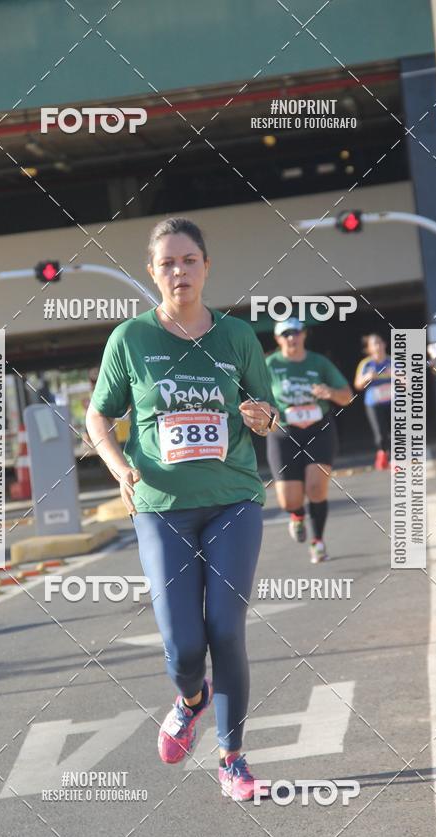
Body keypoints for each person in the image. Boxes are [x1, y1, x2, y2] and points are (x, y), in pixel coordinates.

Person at [86, 217, 278, 801]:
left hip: (234, 500)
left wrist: (262, 418)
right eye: (167, 263)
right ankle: (190, 698)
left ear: (206, 267)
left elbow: (267, 409)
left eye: (189, 260)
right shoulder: (131, 340)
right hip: (161, 505)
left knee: (226, 629)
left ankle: (233, 760)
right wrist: (121, 469)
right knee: (183, 643)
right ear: (153, 273)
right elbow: (99, 415)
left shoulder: (237, 336)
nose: (179, 272)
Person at [265, 318, 352, 562]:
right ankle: (297, 515)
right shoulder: (270, 365)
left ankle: (318, 542)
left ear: (304, 335)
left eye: (296, 333)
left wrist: (330, 393)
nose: (291, 338)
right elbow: (253, 393)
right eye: (286, 334)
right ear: (278, 339)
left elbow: (346, 396)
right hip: (284, 433)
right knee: (288, 499)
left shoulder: (318, 362)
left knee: (316, 488)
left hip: (318, 428)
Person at [354, 333, 392, 469]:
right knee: (380, 434)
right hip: (374, 403)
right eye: (374, 344)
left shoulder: (392, 361)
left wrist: (397, 375)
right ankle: (382, 453)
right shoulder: (366, 364)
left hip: (393, 401)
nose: (378, 346)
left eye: (379, 342)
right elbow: (357, 385)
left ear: (384, 344)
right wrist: (367, 378)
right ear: (369, 349)